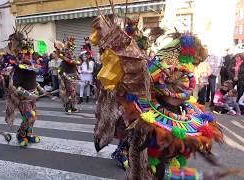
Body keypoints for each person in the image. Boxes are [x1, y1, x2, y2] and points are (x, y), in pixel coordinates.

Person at [90, 11, 231, 179]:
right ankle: (122, 153)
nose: (190, 84)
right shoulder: (144, 120)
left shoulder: (189, 112)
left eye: (188, 79)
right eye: (181, 80)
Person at [2, 29, 49, 147]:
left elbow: (33, 81)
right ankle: (21, 135)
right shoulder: (18, 67)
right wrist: (29, 95)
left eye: (30, 53)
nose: (28, 55)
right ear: (20, 54)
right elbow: (15, 87)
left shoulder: (33, 66)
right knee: (29, 116)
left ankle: (29, 134)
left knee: (33, 118)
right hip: (23, 98)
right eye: (25, 53)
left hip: (33, 96)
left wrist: (41, 89)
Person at [56, 37, 81, 113]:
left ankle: (72, 106)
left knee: (73, 92)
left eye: (71, 51)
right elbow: (60, 70)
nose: (71, 53)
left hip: (74, 77)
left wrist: (77, 74)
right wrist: (64, 75)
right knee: (69, 92)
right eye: (69, 51)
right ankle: (68, 107)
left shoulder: (72, 59)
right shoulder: (64, 62)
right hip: (68, 77)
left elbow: (77, 63)